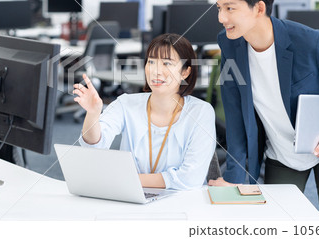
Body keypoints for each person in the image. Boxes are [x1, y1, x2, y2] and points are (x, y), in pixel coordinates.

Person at [208, 0, 319, 221]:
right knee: (279, 223)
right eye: (219, 8)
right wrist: (235, 181)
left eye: (229, 8)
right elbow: (235, 118)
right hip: (281, 152)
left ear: (259, 8)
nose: (221, 18)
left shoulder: (311, 41)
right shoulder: (230, 47)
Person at [73, 33, 216, 190]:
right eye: (151, 62)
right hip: (132, 200)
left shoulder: (201, 112)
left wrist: (126, 179)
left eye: (167, 63)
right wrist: (93, 114)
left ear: (185, 72)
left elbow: (190, 179)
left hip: (182, 203)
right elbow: (94, 147)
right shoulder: (126, 103)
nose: (156, 71)